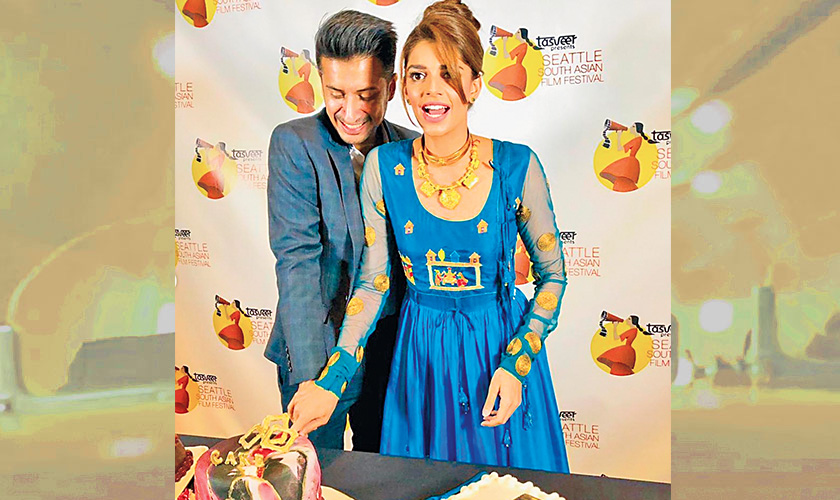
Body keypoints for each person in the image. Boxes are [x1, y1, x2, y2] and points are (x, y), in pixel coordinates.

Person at [289, 0, 569, 472]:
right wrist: (331, 381)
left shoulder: (517, 166)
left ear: (475, 84)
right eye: (417, 75)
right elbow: (372, 284)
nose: (431, 90)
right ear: (402, 85)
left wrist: (518, 363)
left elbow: (553, 276)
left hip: (498, 357)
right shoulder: (384, 168)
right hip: (420, 360)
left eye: (448, 73)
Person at [264, 10, 418, 452]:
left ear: (391, 86)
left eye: (367, 95)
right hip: (319, 346)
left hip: (392, 355)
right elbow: (297, 265)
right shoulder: (294, 144)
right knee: (316, 473)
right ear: (320, 82)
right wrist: (314, 379)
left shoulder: (413, 149)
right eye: (337, 93)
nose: (350, 112)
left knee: (386, 476)